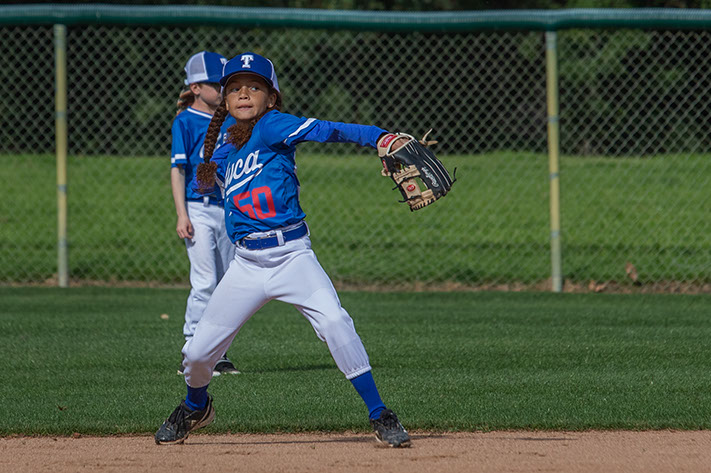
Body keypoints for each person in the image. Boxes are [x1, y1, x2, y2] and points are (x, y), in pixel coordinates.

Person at [156, 52, 411, 448]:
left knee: (335, 324)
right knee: (197, 355)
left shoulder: (274, 125)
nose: (244, 94)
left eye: (254, 87)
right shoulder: (223, 149)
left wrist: (378, 137)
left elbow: (327, 130)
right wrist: (206, 175)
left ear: (271, 98)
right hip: (247, 265)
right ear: (224, 101)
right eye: (235, 88)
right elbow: (211, 186)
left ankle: (380, 413)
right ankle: (196, 407)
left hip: (292, 256)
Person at [170, 51, 239, 376]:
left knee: (227, 283)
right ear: (196, 87)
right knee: (205, 281)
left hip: (227, 209)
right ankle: (191, 347)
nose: (222, 90)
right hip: (197, 209)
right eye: (216, 84)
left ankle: (218, 353)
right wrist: (181, 214)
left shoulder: (231, 121)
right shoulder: (185, 120)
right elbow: (178, 170)